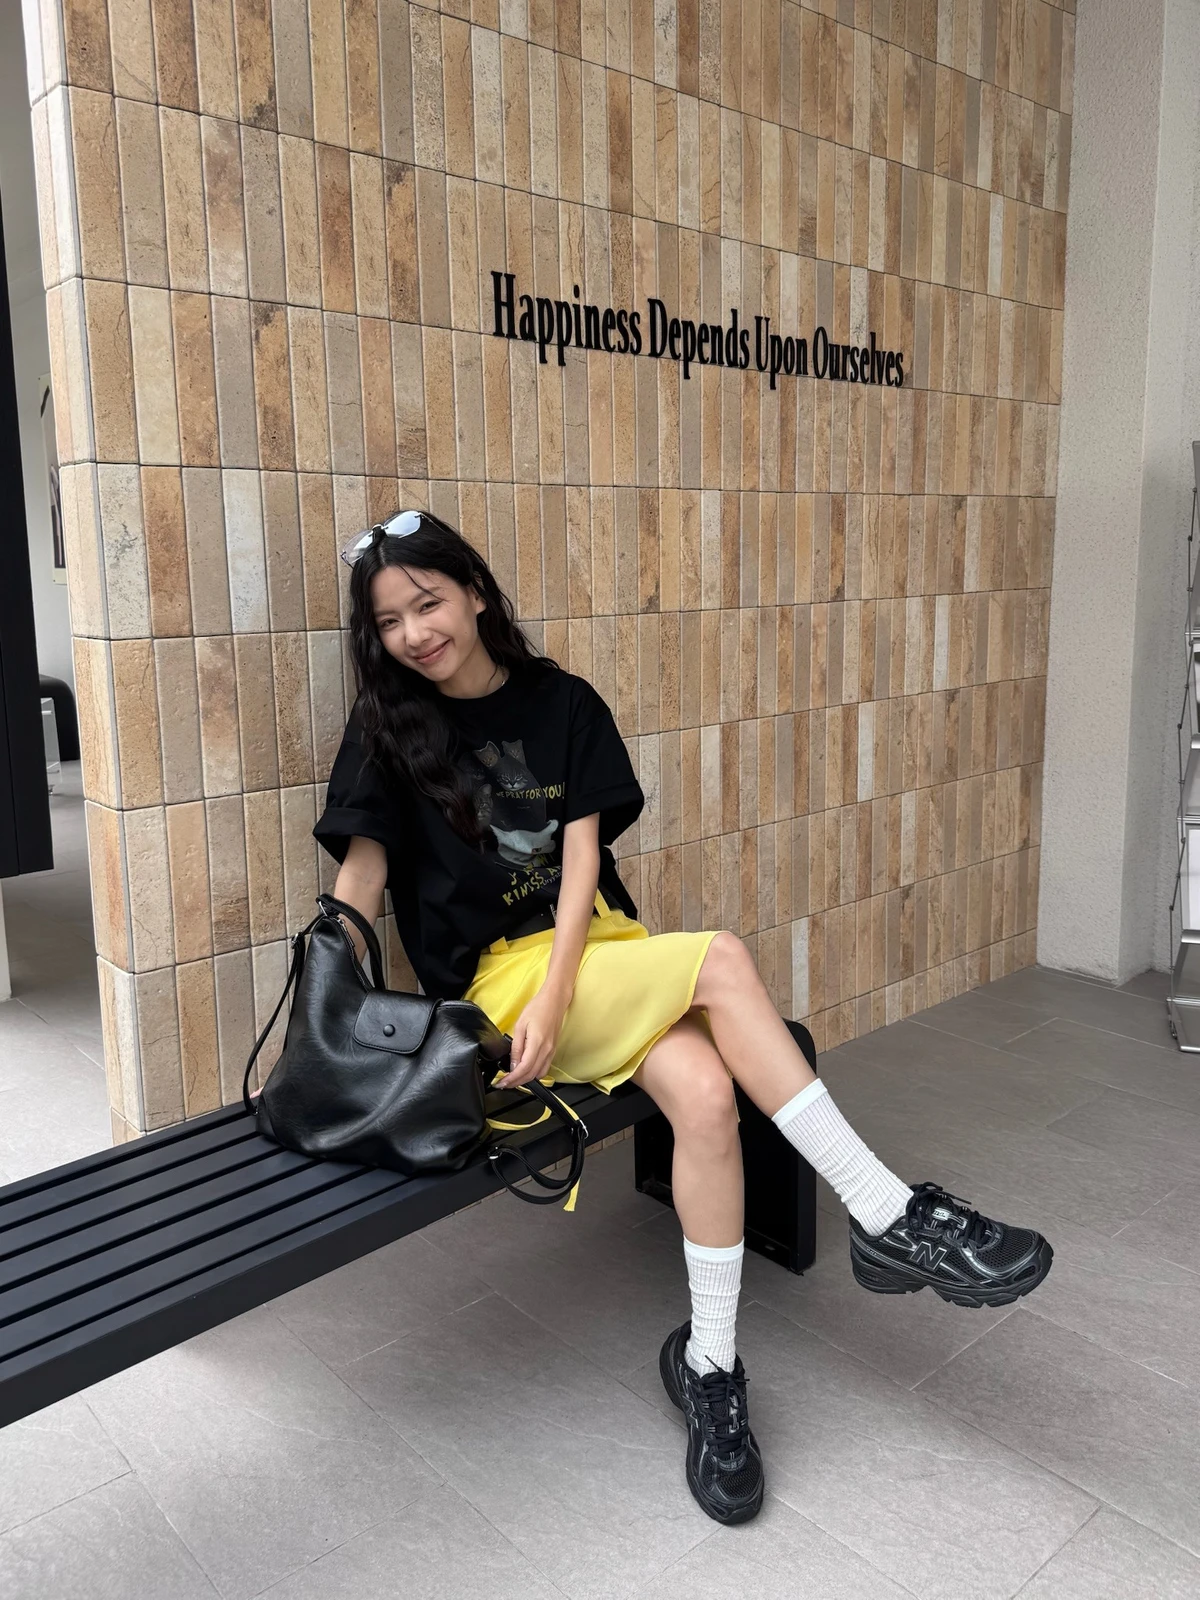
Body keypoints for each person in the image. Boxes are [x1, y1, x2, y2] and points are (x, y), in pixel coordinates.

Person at [313, 509, 1053, 1527]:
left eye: (427, 603)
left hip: (595, 953)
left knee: (705, 1097)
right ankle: (888, 1214)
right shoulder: (388, 729)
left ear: (475, 593)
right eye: (389, 621)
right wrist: (328, 1004)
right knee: (727, 960)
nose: (412, 634)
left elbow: (583, 862)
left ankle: (708, 1364)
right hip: (499, 982)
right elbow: (362, 874)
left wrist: (569, 983)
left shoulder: (563, 702)